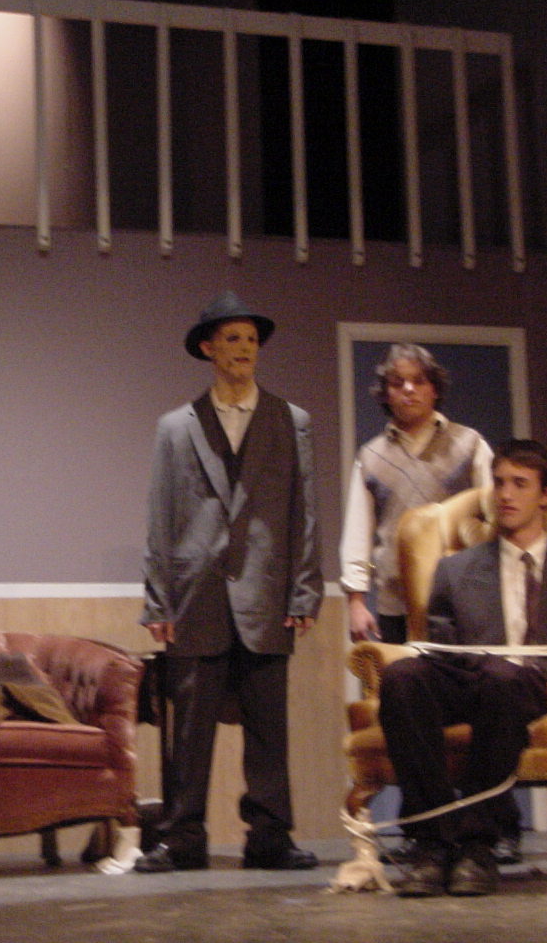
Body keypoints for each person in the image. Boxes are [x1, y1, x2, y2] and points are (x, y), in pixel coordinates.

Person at [135, 291, 323, 874]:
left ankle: (270, 836)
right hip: (196, 595)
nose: (244, 349)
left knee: (268, 727)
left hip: (266, 593)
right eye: (232, 339)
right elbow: (160, 517)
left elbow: (304, 512)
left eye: (251, 340)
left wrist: (305, 590)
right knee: (190, 730)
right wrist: (158, 600)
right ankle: (182, 838)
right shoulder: (176, 427)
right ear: (209, 349)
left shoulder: (291, 421)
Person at [377, 439, 547, 897]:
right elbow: (441, 649)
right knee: (402, 677)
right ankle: (432, 841)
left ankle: (478, 845)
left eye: (520, 484)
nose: (505, 495)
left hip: (535, 686)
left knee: (505, 678)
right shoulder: (456, 569)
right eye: (499, 483)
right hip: (470, 677)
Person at [339, 343, 492, 645]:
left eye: (419, 381)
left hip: (461, 600)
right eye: (398, 383)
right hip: (396, 605)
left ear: (434, 389)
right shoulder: (371, 456)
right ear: (386, 394)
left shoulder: (469, 444)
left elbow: (494, 516)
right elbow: (357, 534)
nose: (409, 389)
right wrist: (356, 602)